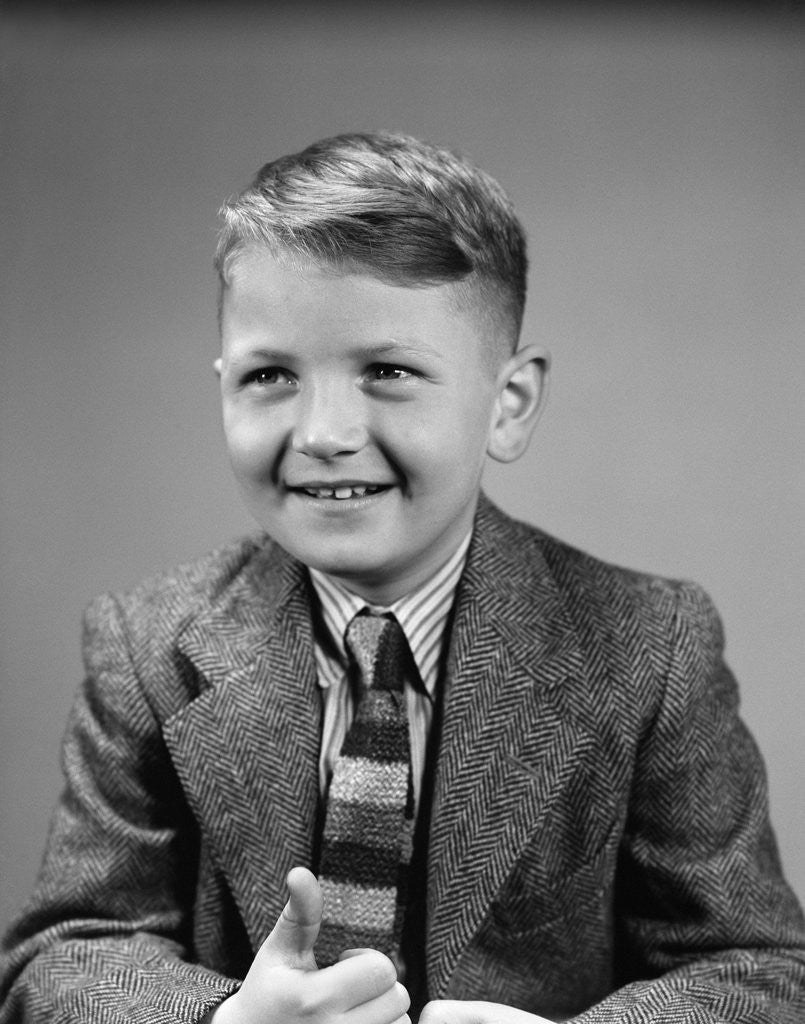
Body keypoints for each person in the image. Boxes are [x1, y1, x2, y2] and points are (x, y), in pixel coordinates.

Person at [1, 131, 803, 1024]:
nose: (322, 433)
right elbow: (66, 953)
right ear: (223, 385)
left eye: (386, 372)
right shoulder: (146, 642)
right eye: (271, 375)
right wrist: (222, 1021)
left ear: (509, 404)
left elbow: (755, 968)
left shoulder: (647, 646)